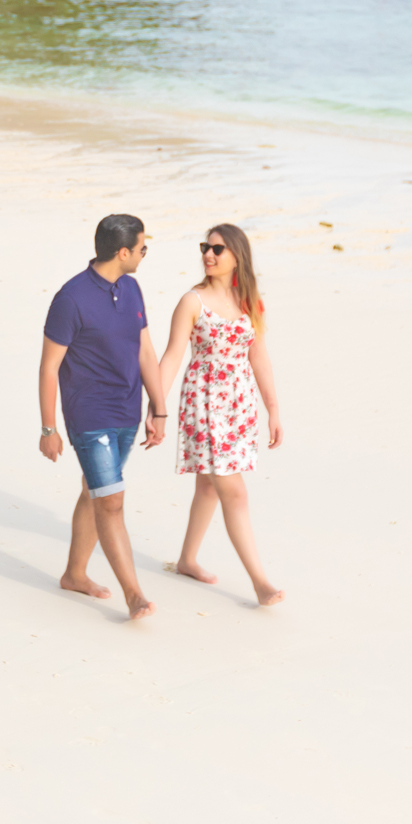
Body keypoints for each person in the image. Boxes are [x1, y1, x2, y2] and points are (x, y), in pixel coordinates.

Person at [38, 213, 166, 620]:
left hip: (127, 411)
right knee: (111, 502)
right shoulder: (70, 299)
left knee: (95, 493)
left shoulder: (131, 288)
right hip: (89, 414)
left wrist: (158, 407)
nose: (145, 254)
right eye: (143, 248)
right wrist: (48, 428)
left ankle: (74, 574)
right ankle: (134, 596)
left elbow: (145, 350)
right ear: (123, 251)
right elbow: (48, 367)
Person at [158, 222, 284, 606]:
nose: (208, 255)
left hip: (239, 405)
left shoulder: (250, 301)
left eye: (218, 249)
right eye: (205, 247)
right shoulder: (191, 302)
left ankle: (187, 560)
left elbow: (258, 355)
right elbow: (173, 356)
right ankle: (260, 582)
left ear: (237, 257)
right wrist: (156, 408)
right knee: (235, 491)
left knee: (210, 486)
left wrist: (273, 408)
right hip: (205, 403)